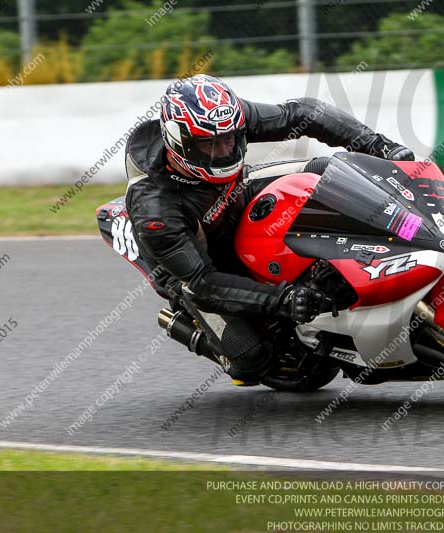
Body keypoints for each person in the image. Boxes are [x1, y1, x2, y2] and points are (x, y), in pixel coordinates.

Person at [125, 74, 414, 385]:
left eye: (230, 140)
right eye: (209, 146)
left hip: (233, 194)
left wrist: (379, 146)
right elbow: (204, 281)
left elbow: (304, 114)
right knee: (249, 359)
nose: (223, 151)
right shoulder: (155, 209)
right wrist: (285, 299)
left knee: (329, 170)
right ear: (179, 142)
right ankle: (192, 327)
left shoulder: (223, 119)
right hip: (192, 269)